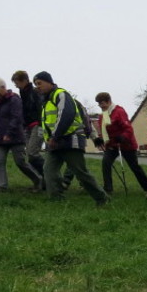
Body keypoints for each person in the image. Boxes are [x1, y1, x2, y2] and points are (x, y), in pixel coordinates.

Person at [33, 71, 109, 206]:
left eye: (40, 83)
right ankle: (57, 200)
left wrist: (55, 136)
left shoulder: (61, 95)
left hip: (70, 140)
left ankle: (102, 199)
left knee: (80, 172)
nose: (38, 86)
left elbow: (67, 115)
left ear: (49, 82)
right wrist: (48, 139)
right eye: (36, 84)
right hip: (54, 143)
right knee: (49, 170)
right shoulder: (45, 102)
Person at [0, 77, 41, 193]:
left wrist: (9, 133)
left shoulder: (14, 99)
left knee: (20, 162)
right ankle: (1, 185)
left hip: (15, 137)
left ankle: (38, 180)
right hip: (0, 138)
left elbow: (16, 117)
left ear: (3, 87)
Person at [94, 92, 147, 195]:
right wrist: (100, 139)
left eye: (102, 103)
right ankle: (108, 189)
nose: (101, 106)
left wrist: (123, 137)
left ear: (109, 101)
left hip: (126, 144)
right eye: (99, 104)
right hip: (111, 145)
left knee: (134, 167)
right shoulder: (103, 115)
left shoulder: (119, 111)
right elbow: (104, 131)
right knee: (106, 163)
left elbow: (128, 129)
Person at [11, 70, 45, 182]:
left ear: (24, 80)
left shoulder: (34, 92)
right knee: (30, 156)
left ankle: (49, 174)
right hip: (27, 126)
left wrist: (41, 125)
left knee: (32, 153)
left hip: (37, 125)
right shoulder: (23, 93)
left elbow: (40, 108)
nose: (16, 85)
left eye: (17, 83)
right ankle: (43, 179)